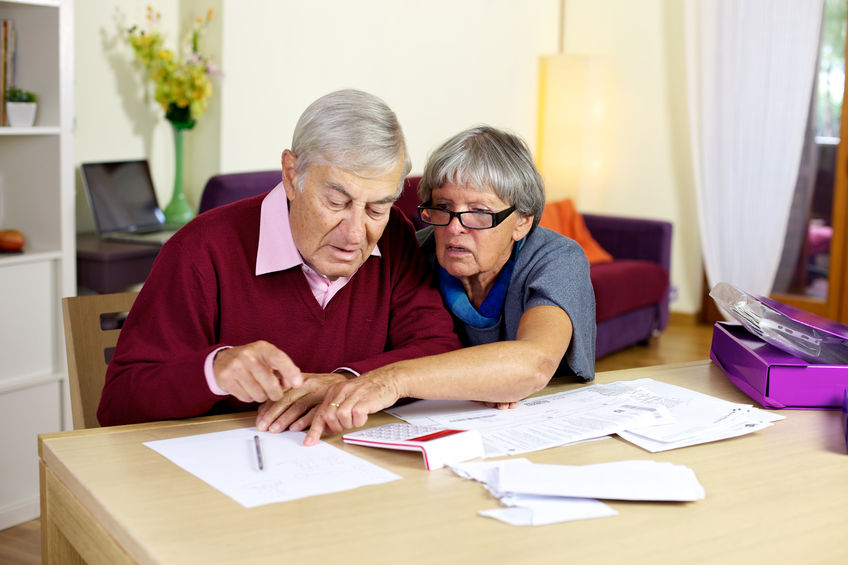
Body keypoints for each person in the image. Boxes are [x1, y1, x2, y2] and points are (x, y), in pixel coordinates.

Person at [97, 89, 461, 426]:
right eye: (336, 202)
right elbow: (118, 402)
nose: (355, 233)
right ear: (291, 175)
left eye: (377, 208)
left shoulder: (395, 234)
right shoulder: (199, 249)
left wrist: (344, 383)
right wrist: (213, 370)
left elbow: (438, 350)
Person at [257, 125, 596, 445]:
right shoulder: (415, 252)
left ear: (521, 221)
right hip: (439, 426)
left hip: (544, 428)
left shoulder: (556, 259)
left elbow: (534, 363)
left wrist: (390, 379)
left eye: (479, 212)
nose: (454, 228)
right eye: (443, 208)